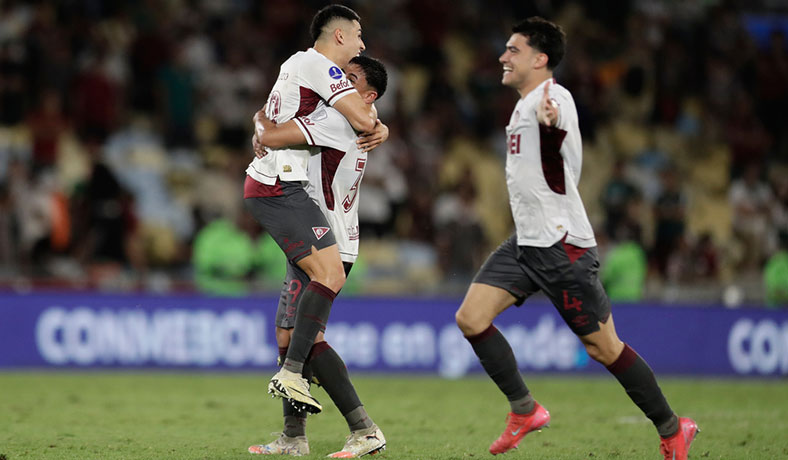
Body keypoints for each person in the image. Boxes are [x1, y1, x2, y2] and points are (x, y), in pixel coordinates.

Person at [453, 17, 698, 460]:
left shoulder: (552, 97)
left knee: (604, 348)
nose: (502, 56)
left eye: (513, 49)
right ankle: (524, 410)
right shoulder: (526, 102)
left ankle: (672, 426)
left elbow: (558, 130)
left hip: (561, 247)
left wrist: (551, 125)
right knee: (471, 318)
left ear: (539, 59)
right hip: (527, 242)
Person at [243, 4, 384, 416]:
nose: (361, 43)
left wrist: (261, 126)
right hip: (284, 194)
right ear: (339, 36)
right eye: (357, 36)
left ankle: (321, 423)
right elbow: (360, 117)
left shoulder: (301, 71)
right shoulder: (322, 69)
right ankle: (297, 404)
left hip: (303, 209)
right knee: (300, 326)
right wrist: (377, 123)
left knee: (295, 332)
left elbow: (273, 125)